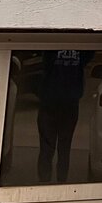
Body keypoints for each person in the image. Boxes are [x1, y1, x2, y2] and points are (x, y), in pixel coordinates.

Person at [37, 49, 93, 183]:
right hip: (54, 101)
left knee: (61, 148)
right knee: (52, 148)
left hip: (64, 101)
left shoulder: (78, 48)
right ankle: (47, 182)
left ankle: (58, 183)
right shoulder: (74, 48)